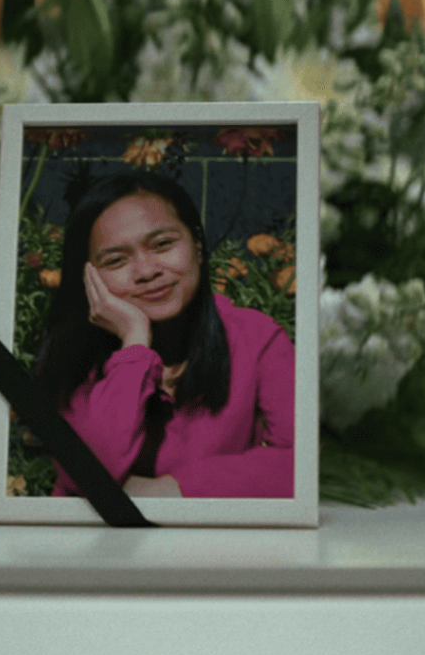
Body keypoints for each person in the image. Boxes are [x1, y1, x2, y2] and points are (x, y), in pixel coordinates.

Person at [34, 171, 294, 499]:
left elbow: (302, 464)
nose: (147, 271)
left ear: (198, 244)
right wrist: (134, 343)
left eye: (163, 244)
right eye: (116, 260)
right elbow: (89, 473)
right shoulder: (71, 358)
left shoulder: (256, 338)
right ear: (89, 277)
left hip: (218, 545)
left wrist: (172, 491)